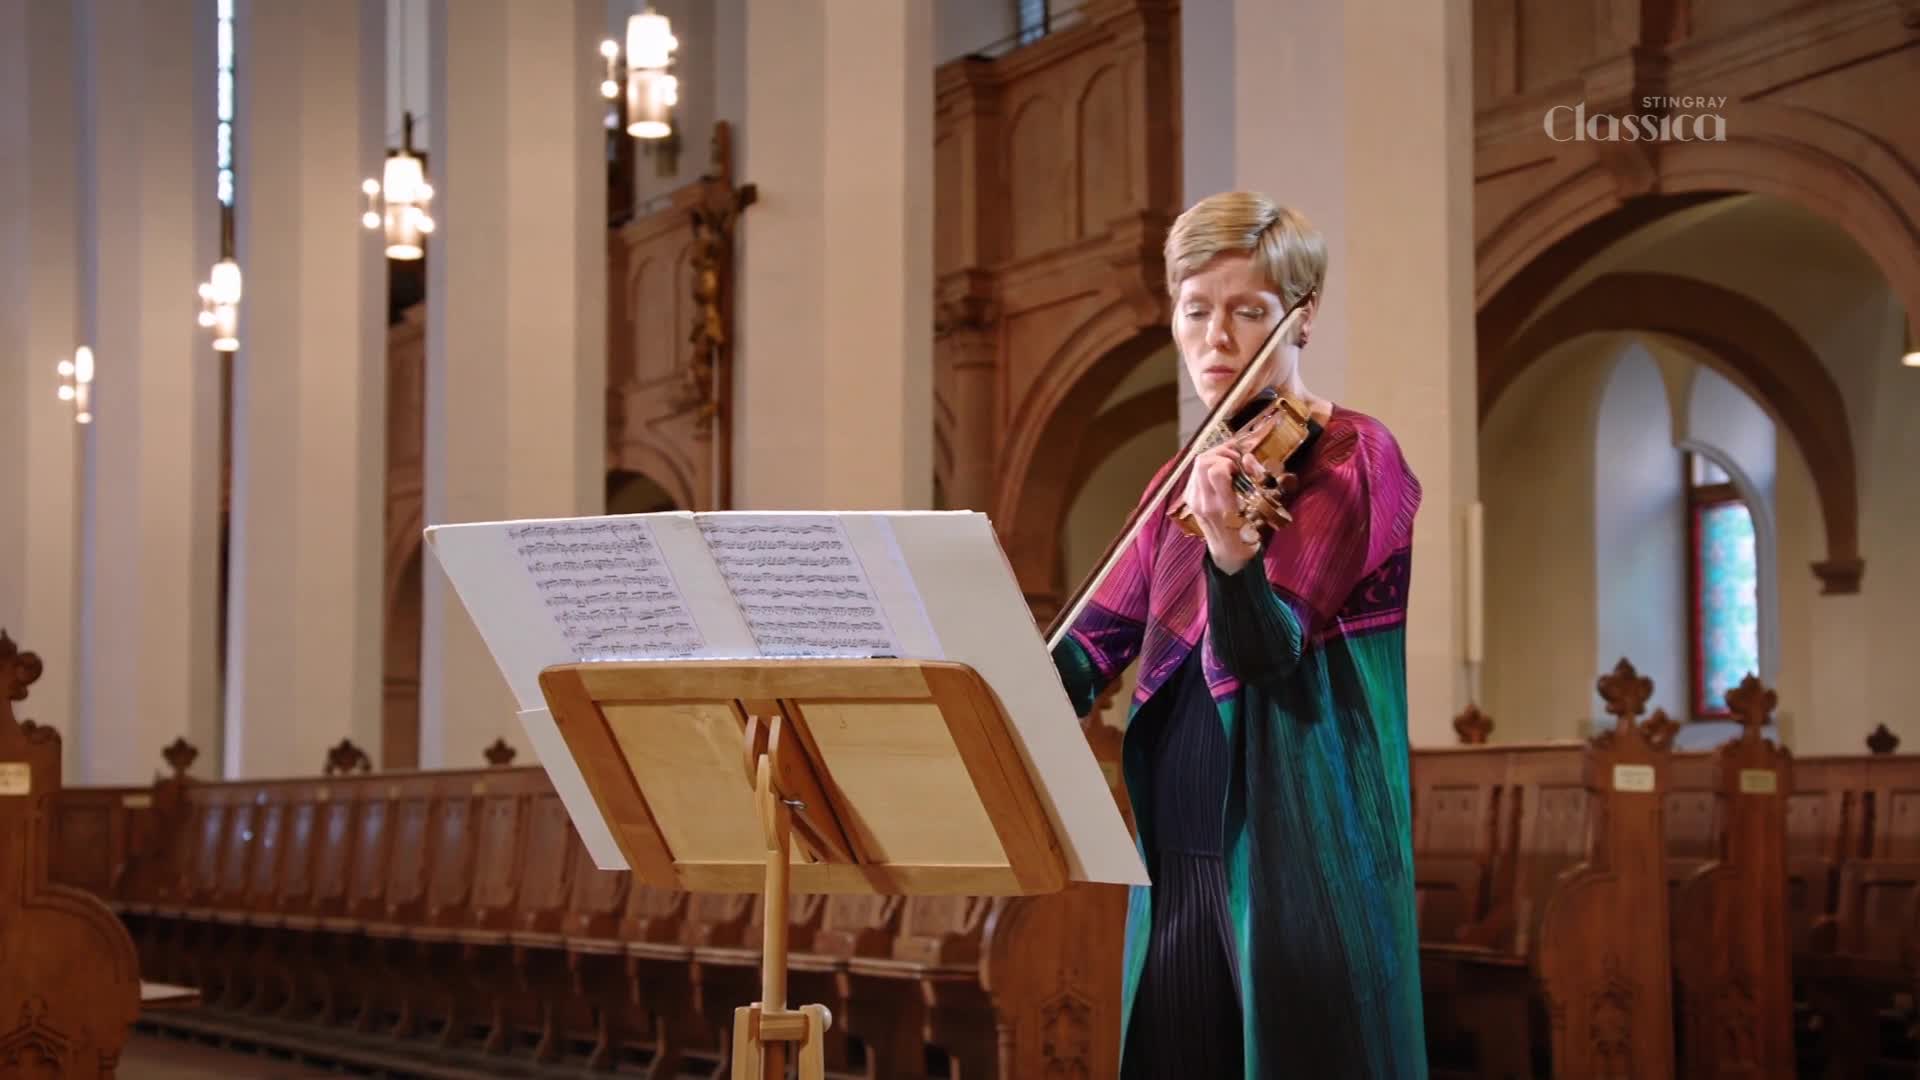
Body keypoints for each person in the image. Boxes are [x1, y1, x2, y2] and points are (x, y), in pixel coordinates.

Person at [1050, 192, 1427, 1078]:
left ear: (1302, 316)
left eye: (1248, 311)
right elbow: (1089, 651)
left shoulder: (1355, 456)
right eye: (1195, 311)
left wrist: (1230, 555)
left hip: (1297, 842)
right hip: (1180, 841)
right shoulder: (1180, 478)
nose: (1217, 339)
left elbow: (1267, 649)